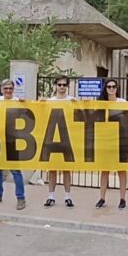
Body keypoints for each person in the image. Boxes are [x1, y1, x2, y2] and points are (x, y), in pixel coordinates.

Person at [96, 78, 128, 210]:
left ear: (117, 88)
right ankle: (102, 198)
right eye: (109, 87)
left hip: (121, 139)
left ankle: (122, 198)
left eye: (114, 86)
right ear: (106, 89)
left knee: (121, 170)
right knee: (104, 170)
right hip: (106, 140)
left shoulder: (122, 102)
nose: (112, 89)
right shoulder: (101, 104)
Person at [0, 79, 26, 210]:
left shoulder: (17, 102)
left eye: (10, 88)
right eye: (6, 88)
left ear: (13, 90)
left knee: (15, 171)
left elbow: (30, 114)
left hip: (12, 140)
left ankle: (21, 198)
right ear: (1, 89)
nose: (8, 91)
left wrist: (29, 104)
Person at [44, 76, 76, 208]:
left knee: (66, 169)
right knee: (52, 170)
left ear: (67, 86)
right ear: (56, 86)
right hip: (52, 138)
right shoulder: (50, 101)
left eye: (64, 85)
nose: (62, 87)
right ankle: (51, 196)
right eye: (59, 84)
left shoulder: (72, 101)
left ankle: (67, 196)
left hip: (67, 138)